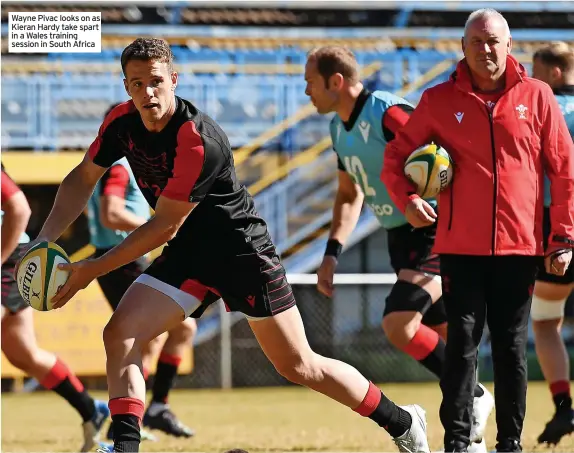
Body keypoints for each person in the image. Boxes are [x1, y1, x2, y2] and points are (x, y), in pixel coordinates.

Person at [26, 38, 430, 453]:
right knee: (121, 334)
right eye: (137, 83)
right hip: (189, 255)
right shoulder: (120, 122)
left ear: (174, 80)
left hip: (242, 252)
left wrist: (89, 271)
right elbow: (82, 178)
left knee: (299, 365)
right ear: (126, 86)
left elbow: (164, 225)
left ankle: (402, 421)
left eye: (156, 81)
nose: (148, 92)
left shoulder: (197, 138)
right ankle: (126, 446)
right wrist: (43, 241)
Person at [381, 9, 574, 453]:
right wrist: (408, 200)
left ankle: (510, 442)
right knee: (462, 347)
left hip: (520, 248)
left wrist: (562, 236)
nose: (485, 50)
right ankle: (457, 440)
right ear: (463, 48)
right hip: (459, 249)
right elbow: (396, 160)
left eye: (493, 41)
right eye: (476, 42)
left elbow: (563, 171)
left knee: (510, 349)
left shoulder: (538, 96)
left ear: (508, 46)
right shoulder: (437, 100)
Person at [306, 45, 493, 452]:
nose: (306, 92)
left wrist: (428, 200)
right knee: (447, 338)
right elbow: (347, 193)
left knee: (399, 323)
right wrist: (332, 252)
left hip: (437, 228)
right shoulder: (339, 129)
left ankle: (474, 398)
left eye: (310, 83)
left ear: (335, 82)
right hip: (399, 237)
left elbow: (444, 155)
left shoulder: (386, 112)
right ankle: (471, 436)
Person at [87, 103, 196, 440]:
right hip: (122, 259)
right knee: (161, 333)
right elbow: (112, 214)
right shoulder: (120, 165)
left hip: (124, 258)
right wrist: (160, 227)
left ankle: (148, 410)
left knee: (172, 332)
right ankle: (136, 415)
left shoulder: (112, 164)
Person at [1, 163, 110, 452]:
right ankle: (90, 409)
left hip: (7, 255)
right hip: (12, 255)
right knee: (22, 353)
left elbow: (19, 209)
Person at [531, 41, 574, 446]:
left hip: (555, 226)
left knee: (545, 321)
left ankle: (564, 406)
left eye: (535, 70)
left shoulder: (541, 108)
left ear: (555, 73)